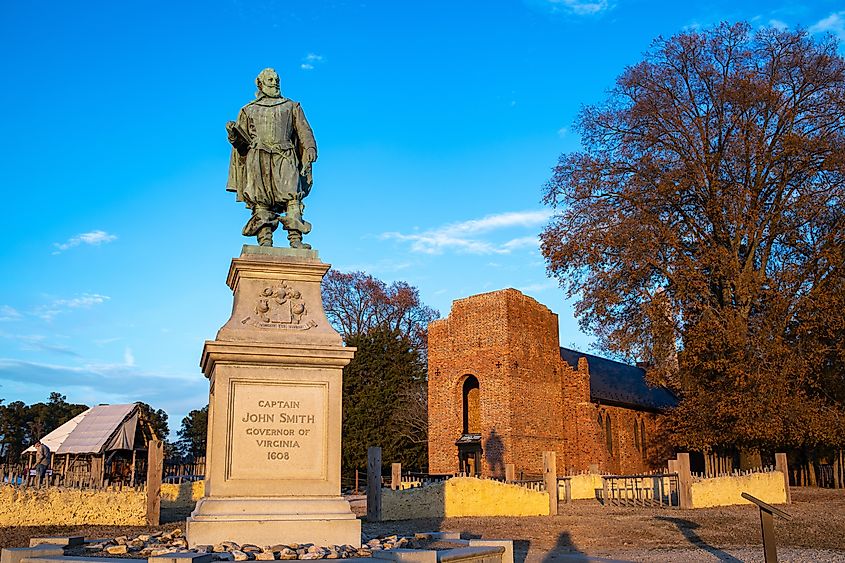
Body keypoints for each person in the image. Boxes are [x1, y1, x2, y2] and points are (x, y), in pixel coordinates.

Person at [226, 68, 318, 248]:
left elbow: (304, 130)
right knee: (261, 200)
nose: (275, 82)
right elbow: (242, 146)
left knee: (293, 197)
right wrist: (233, 135)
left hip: (285, 155)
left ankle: (296, 240)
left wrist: (310, 147)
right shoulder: (248, 109)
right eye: (270, 79)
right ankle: (265, 240)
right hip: (258, 159)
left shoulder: (291, 106)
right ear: (260, 84)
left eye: (277, 79)